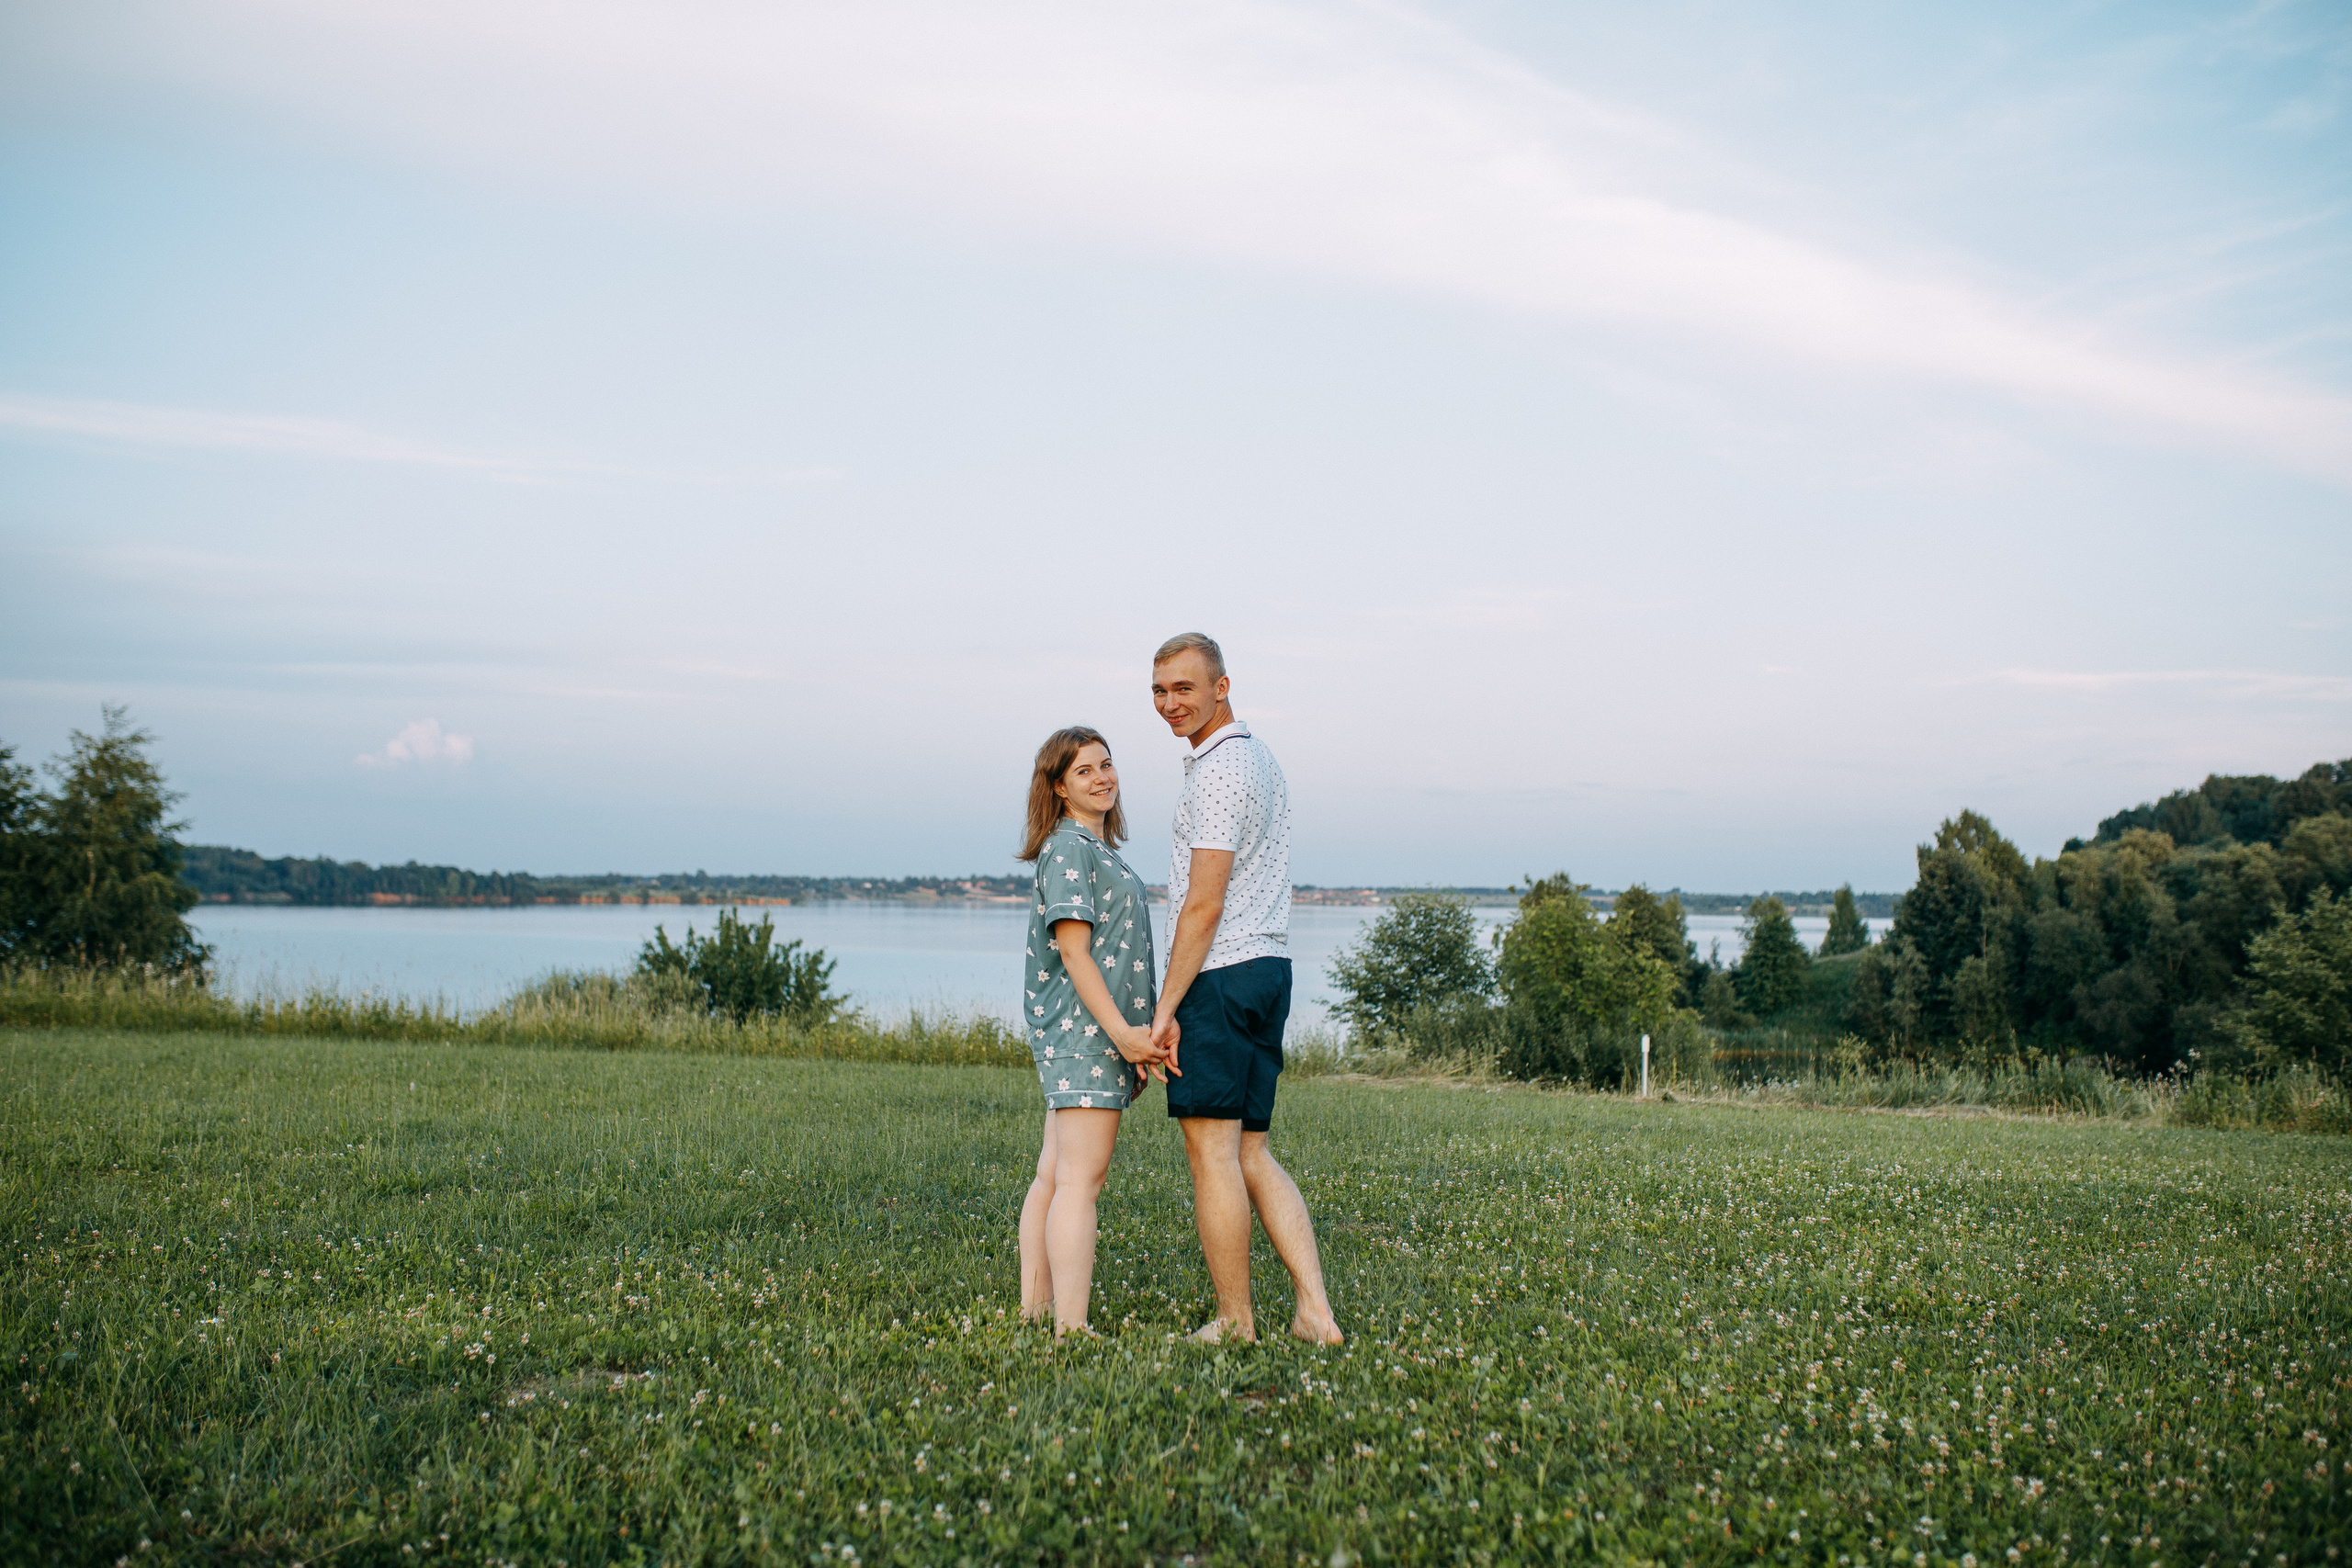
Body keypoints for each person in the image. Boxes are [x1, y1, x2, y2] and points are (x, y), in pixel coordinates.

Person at [1148, 634, 1343, 1345]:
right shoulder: (1259, 758)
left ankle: (1235, 1321)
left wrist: (1165, 1010)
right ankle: (1314, 1312)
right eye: (1160, 691)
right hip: (1269, 970)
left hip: (1222, 976)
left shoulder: (1220, 771)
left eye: (1185, 689)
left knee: (1214, 1156)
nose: (1171, 703)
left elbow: (1202, 903)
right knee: (1252, 1150)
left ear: (1222, 687)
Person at [1013, 726, 1170, 1336]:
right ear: (1058, 785)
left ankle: (1035, 1309)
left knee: (1055, 1173)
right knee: (1082, 1179)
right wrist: (1126, 1036)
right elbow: (1076, 954)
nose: (1102, 776)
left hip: (1088, 1031)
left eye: (1106, 764)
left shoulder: (1095, 849)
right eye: (1084, 770)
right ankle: (1070, 1328)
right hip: (1086, 1032)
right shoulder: (1069, 848)